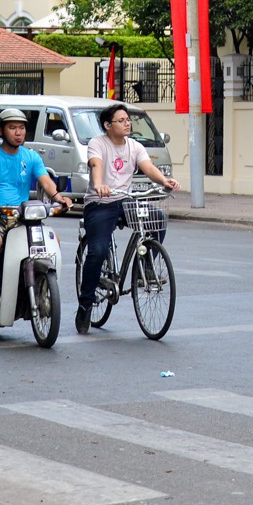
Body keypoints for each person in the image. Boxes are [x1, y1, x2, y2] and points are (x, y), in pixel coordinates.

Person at [77, 102, 180, 333]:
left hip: (125, 201)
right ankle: (85, 304)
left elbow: (148, 167)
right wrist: (99, 184)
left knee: (158, 218)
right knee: (98, 251)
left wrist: (164, 181)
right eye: (121, 120)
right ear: (107, 125)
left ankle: (146, 264)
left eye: (127, 120)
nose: (127, 124)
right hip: (100, 203)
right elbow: (96, 165)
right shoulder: (98, 143)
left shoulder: (134, 146)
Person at [0, 108, 70, 319]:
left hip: (22, 215)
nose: (18, 132)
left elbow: (45, 181)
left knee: (54, 240)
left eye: (22, 128)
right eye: (12, 127)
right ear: (1, 131)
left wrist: (58, 197)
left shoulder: (31, 157)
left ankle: (44, 290)